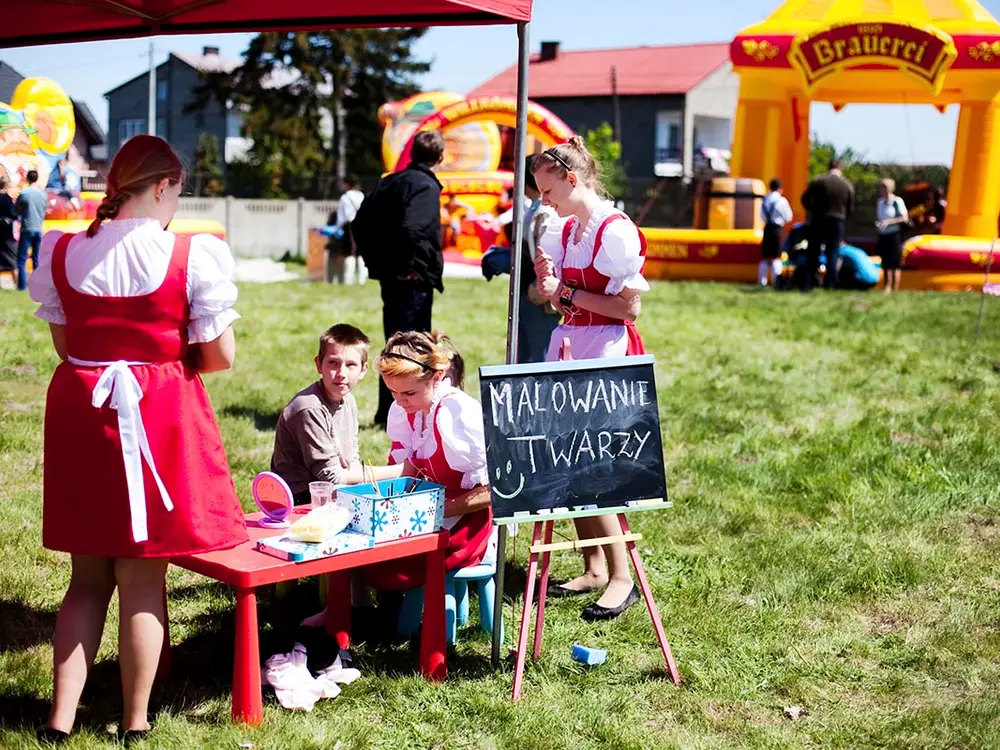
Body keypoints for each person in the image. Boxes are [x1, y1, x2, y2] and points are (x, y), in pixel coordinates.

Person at [28, 135, 248, 744]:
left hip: (82, 412)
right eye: (177, 191)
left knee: (86, 577)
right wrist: (164, 359)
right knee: (141, 577)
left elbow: (68, 348)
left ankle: (60, 718)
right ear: (162, 187)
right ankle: (134, 719)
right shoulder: (189, 253)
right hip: (154, 413)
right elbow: (221, 356)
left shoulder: (64, 249)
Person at [530, 136, 648, 621]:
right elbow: (561, 300)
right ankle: (594, 564)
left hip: (607, 352)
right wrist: (551, 290)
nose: (542, 200)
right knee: (568, 457)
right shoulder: (568, 229)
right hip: (574, 345)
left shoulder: (614, 231)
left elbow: (627, 307)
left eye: (546, 189)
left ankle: (623, 577)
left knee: (596, 465)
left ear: (572, 179)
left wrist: (567, 294)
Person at [362, 331, 493, 591]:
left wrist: (437, 511)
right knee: (362, 547)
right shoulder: (407, 409)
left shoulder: (457, 414)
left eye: (408, 392)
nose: (399, 401)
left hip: (465, 526)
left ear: (437, 377)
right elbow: (407, 471)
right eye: (392, 392)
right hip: (425, 516)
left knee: (382, 564)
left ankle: (400, 623)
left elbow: (496, 491)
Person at [352, 130, 446, 429]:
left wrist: (380, 264)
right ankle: (406, 416)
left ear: (412, 154)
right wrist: (408, 266)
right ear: (439, 158)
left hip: (392, 278)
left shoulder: (390, 181)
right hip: (411, 279)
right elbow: (413, 227)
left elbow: (359, 223)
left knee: (394, 345)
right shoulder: (425, 187)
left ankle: (387, 414)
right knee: (413, 350)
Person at [800, 159, 855, 291]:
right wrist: (843, 217)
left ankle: (809, 283)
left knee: (813, 251)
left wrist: (812, 210)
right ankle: (830, 284)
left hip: (818, 219)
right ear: (840, 168)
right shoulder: (847, 185)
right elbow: (850, 207)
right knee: (833, 252)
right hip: (837, 222)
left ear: (828, 167)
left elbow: (804, 199)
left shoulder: (818, 181)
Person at [325, 177, 365, 285]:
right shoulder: (361, 195)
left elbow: (341, 217)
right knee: (360, 253)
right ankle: (362, 280)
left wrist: (337, 229)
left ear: (347, 184)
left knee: (350, 253)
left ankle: (348, 279)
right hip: (362, 225)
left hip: (349, 226)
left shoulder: (345, 197)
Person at [15, 168, 47, 291]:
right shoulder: (42, 194)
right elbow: (44, 210)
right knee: (36, 258)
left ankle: (22, 286)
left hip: (27, 228)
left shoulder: (24, 193)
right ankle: (37, 285)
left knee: (22, 259)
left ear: (27, 179)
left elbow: (16, 210)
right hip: (39, 228)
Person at [874, 178, 909, 294]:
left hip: (895, 235)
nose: (880, 190)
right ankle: (887, 286)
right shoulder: (880, 202)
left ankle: (895, 287)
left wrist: (889, 222)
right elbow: (880, 217)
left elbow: (905, 218)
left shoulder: (897, 201)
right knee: (885, 261)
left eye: (882, 187)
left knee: (895, 262)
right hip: (883, 235)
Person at [759, 178, 793, 288]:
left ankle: (762, 282)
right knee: (776, 257)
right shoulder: (781, 201)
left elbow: (762, 216)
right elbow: (789, 217)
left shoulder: (765, 200)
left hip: (767, 228)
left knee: (765, 257)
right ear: (780, 189)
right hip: (777, 229)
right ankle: (776, 282)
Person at [0, 176, 16, 282]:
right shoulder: (7, 199)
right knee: (13, 261)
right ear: (6, 187)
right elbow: (14, 214)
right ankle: (18, 285)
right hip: (6, 233)